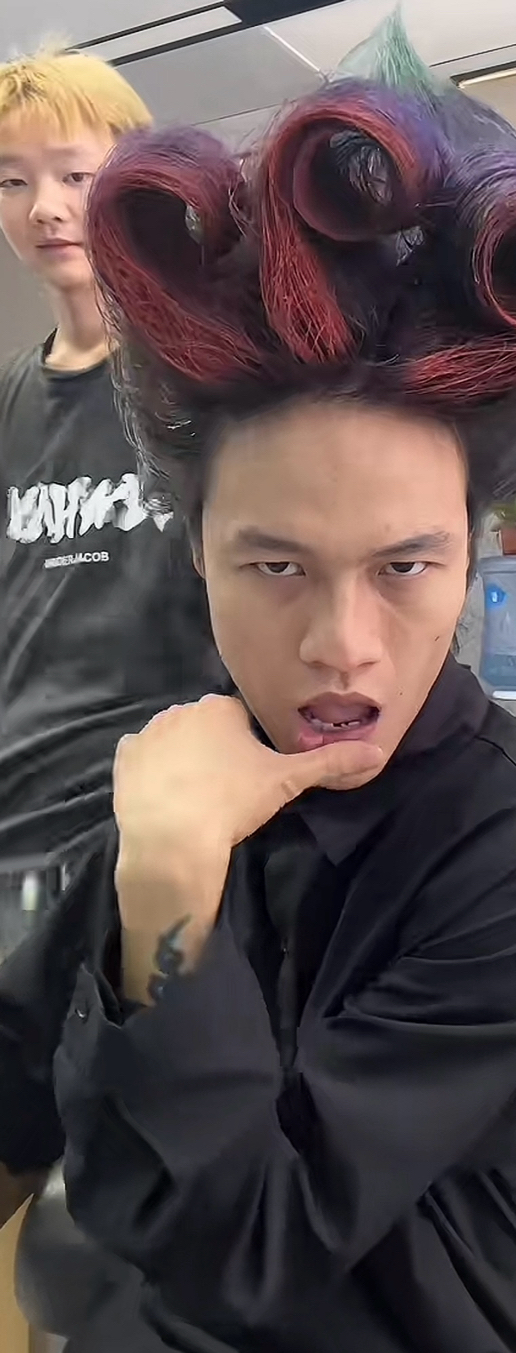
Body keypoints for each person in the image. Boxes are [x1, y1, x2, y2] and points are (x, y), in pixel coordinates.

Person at [0, 19, 516, 1353]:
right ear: (195, 552)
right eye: (276, 566)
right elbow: (60, 1135)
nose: (342, 648)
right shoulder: (187, 774)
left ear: (471, 552)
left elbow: (257, 1253)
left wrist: (168, 900)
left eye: (405, 567)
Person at [0, 48, 222, 960]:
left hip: (155, 826)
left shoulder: (206, 379)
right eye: (12, 181)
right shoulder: (10, 399)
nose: (43, 208)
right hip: (16, 827)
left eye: (74, 176)